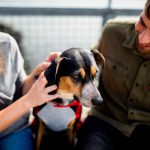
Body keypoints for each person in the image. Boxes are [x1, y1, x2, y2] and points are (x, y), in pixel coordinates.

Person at [74, 0, 150, 150]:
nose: (143, 39)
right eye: (143, 22)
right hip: (104, 122)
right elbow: (86, 65)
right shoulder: (112, 32)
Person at [0, 31, 59, 150]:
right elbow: (26, 100)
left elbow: (20, 89)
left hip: (14, 129)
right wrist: (29, 101)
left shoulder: (6, 43)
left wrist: (37, 75)